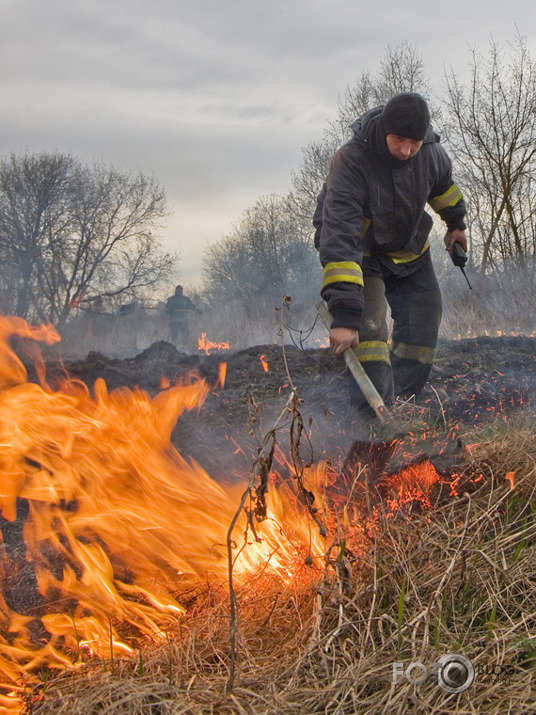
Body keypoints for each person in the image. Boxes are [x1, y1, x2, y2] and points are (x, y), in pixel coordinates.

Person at [314, 92, 467, 413]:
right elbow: (340, 236)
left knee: (424, 321)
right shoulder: (351, 161)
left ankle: (400, 401)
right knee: (369, 335)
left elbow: (444, 190)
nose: (405, 150)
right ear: (384, 129)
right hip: (361, 253)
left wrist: (456, 225)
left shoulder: (431, 154)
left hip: (409, 247)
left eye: (413, 142)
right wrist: (343, 314)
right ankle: (371, 418)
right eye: (398, 139)